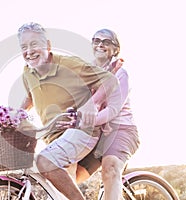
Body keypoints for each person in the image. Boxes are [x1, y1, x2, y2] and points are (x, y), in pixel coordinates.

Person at [18, 22, 122, 200]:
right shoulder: (27, 73)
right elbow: (30, 97)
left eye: (34, 44)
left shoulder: (69, 64)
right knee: (59, 193)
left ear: (48, 46)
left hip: (81, 130)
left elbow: (110, 81)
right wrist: (15, 115)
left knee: (44, 161)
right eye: (24, 46)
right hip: (53, 137)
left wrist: (91, 104)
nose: (29, 51)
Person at [76, 29, 140, 200]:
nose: (100, 44)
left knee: (110, 168)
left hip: (122, 130)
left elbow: (113, 110)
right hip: (96, 135)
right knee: (70, 174)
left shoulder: (121, 73)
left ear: (116, 49)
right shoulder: (87, 73)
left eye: (106, 41)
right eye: (96, 40)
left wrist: (86, 121)